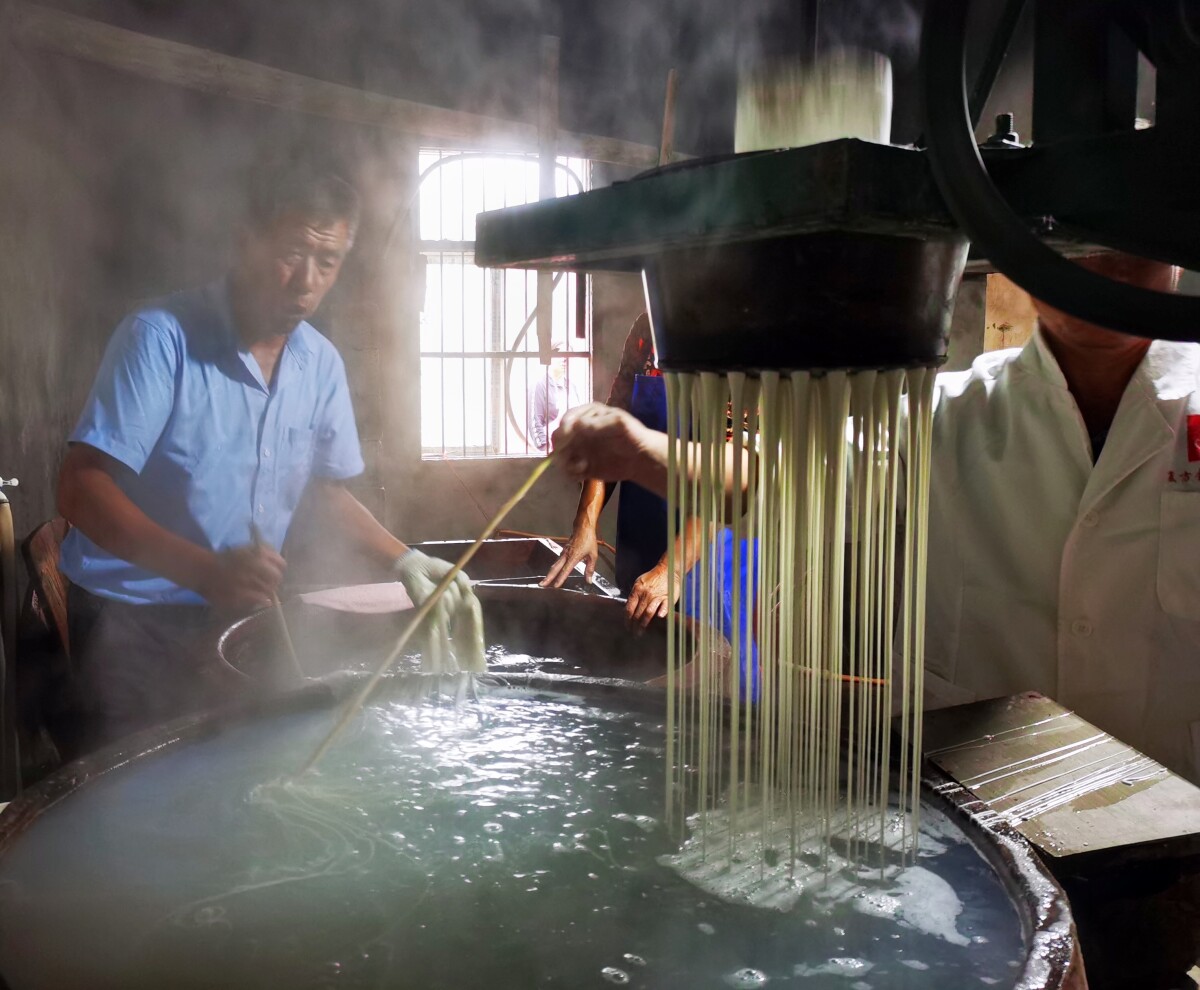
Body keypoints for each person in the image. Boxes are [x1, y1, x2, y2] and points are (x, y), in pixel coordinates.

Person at [551, 253, 1200, 785]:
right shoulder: (946, 416)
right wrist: (641, 452)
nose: (1102, 264)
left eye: (1127, 233)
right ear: (1017, 240)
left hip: (1178, 824)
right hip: (975, 820)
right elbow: (780, 477)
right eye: (1074, 240)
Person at [55, 157, 478, 754]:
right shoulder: (160, 338)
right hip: (129, 619)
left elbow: (323, 490)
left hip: (235, 613)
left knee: (240, 777)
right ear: (245, 241)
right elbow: (80, 486)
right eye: (291, 252)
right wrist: (204, 570)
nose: (306, 280)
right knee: (138, 785)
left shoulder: (320, 364)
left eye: (327, 261)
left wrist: (403, 557)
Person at [527, 349, 583, 452]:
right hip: (553, 451)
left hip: (571, 449)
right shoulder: (539, 385)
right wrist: (545, 448)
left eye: (567, 354)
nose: (565, 359)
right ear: (549, 357)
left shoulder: (572, 386)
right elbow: (535, 422)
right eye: (560, 354)